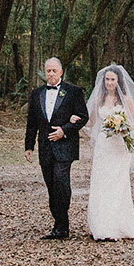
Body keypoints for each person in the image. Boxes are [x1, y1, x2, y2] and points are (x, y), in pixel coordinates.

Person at [83, 64, 134, 241]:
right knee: (101, 183)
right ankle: (101, 225)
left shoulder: (126, 99)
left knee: (117, 184)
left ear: (118, 81)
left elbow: (133, 125)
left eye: (112, 79)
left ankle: (116, 224)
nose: (109, 83)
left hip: (119, 148)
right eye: (107, 79)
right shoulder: (99, 98)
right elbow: (91, 121)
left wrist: (120, 127)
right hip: (104, 147)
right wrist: (77, 122)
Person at [23, 57, 88, 240]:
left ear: (61, 72)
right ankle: (59, 224)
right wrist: (29, 146)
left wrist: (64, 130)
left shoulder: (73, 92)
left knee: (61, 183)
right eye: (48, 71)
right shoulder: (37, 93)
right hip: (45, 147)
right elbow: (32, 123)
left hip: (65, 147)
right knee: (51, 185)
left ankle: (62, 225)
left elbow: (83, 116)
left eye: (54, 71)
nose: (50, 74)